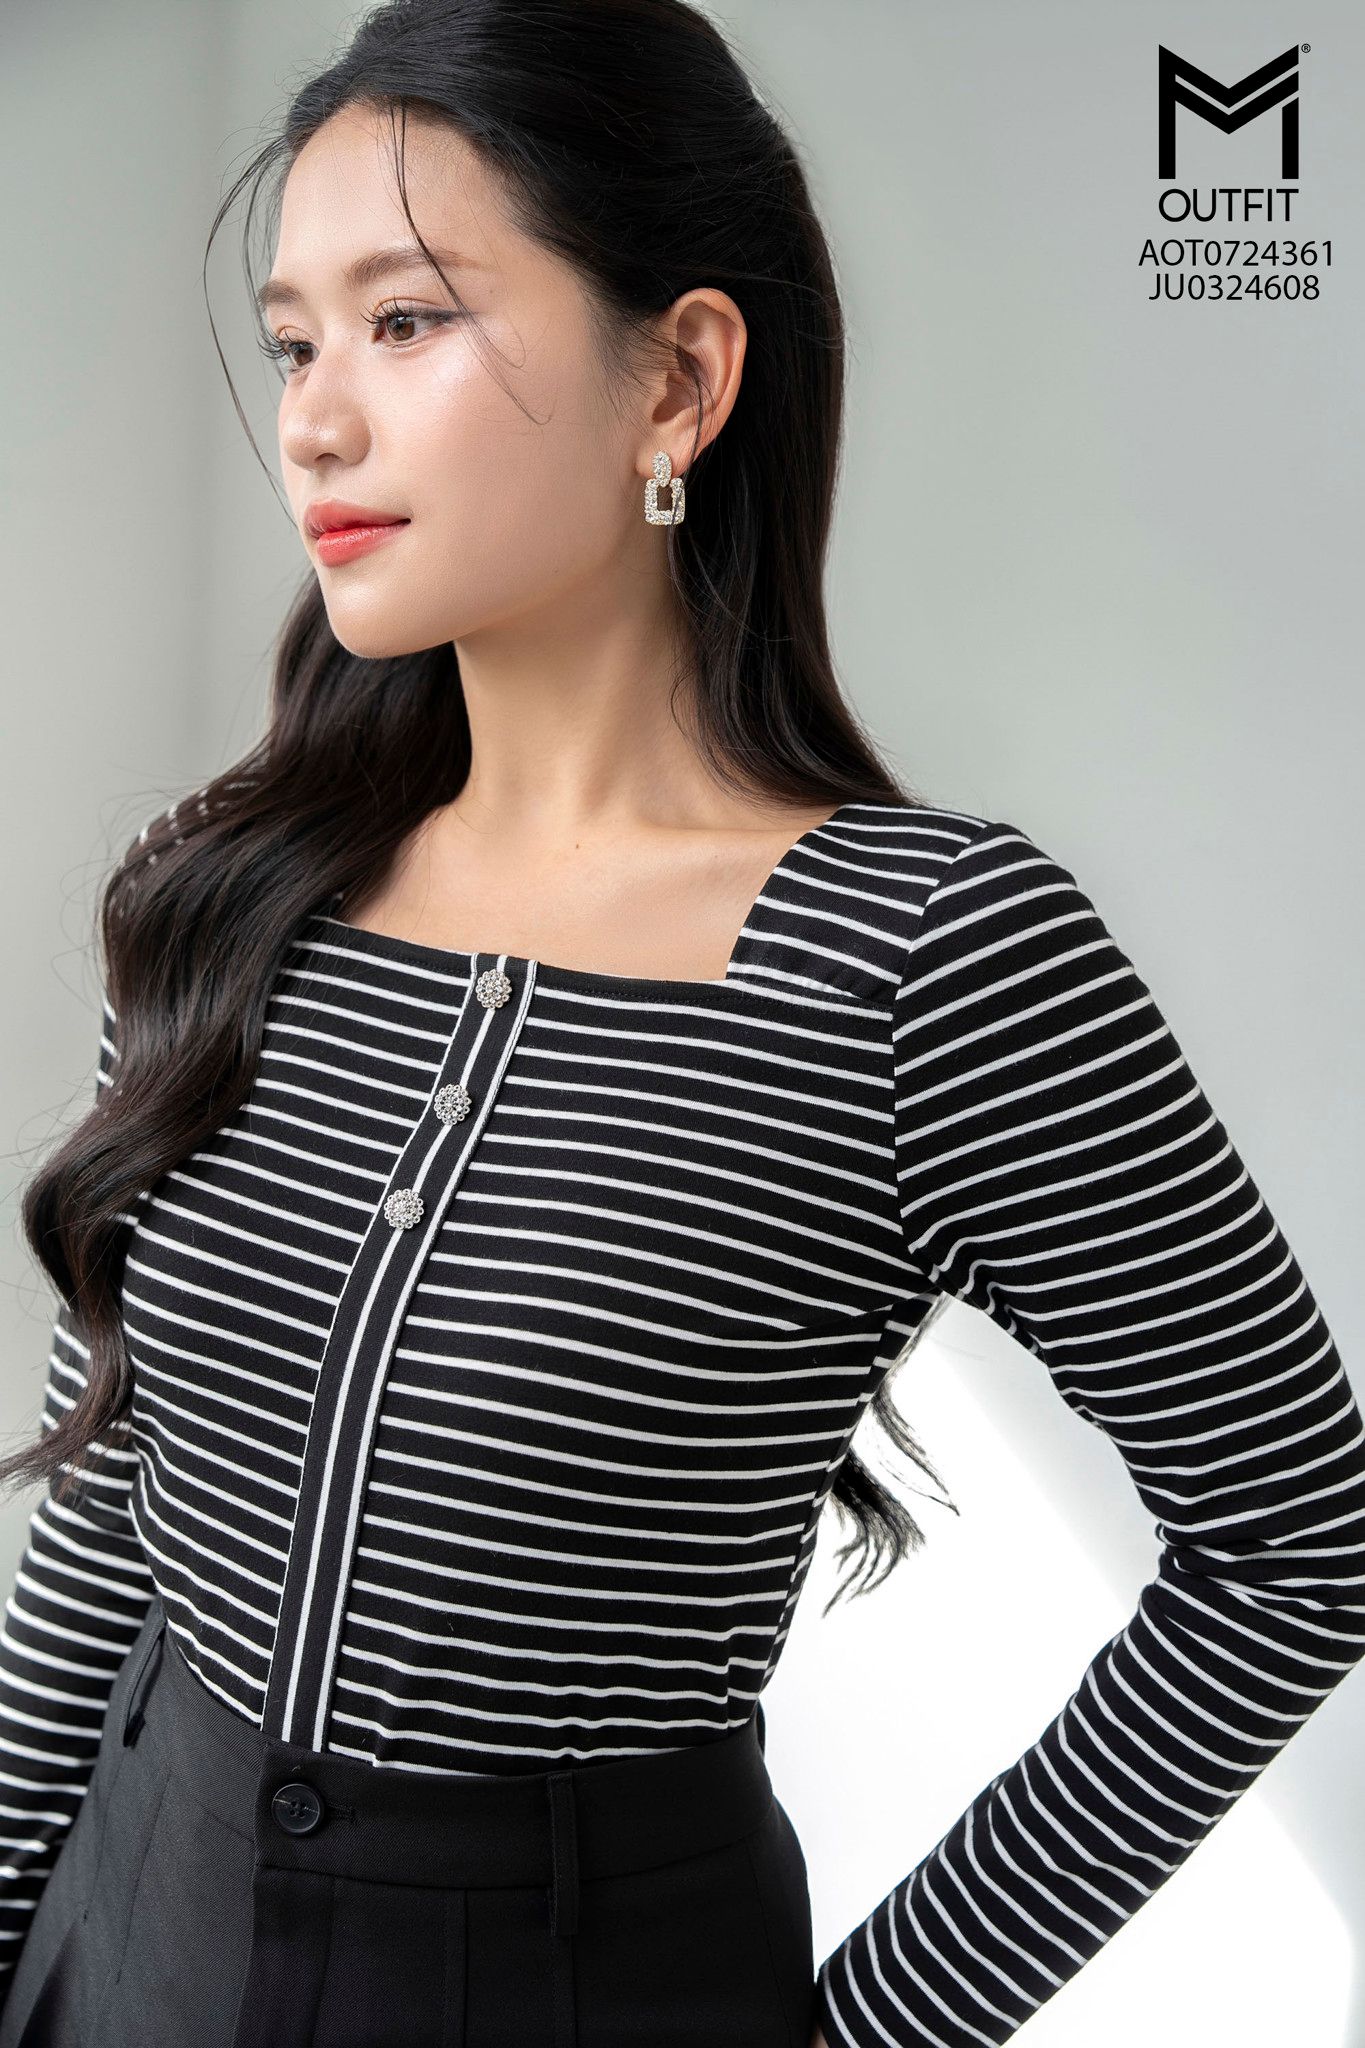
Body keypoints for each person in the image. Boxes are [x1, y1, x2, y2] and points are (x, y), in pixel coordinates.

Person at [3, 2, 1364, 2043]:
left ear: (681, 377)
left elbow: (1293, 1540)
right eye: (293, 343)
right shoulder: (222, 887)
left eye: (406, 320)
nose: (314, 422)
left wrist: (865, 2027)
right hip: (118, 1945)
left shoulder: (923, 955)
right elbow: (118, 1501)